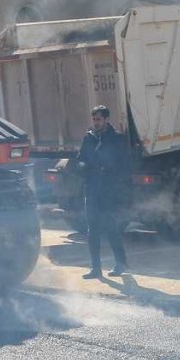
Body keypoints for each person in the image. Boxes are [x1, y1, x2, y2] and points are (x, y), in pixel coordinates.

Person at [77, 105, 130, 280]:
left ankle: (120, 263)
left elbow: (124, 164)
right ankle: (96, 268)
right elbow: (81, 160)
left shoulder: (116, 138)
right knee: (92, 229)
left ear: (106, 120)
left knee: (111, 226)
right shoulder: (89, 138)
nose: (96, 123)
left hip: (108, 189)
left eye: (99, 119)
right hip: (91, 189)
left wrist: (110, 173)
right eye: (94, 119)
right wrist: (83, 169)